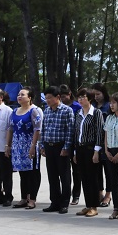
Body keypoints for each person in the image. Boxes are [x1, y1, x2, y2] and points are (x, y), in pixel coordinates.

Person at [7, 87, 43, 209]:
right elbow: (10, 129)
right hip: (17, 146)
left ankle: (32, 199)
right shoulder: (14, 111)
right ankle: (24, 197)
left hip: (30, 145)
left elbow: (37, 130)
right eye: (18, 94)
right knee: (22, 172)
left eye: (22, 94)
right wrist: (8, 145)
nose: (19, 96)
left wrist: (33, 146)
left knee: (33, 172)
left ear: (30, 97)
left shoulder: (34, 111)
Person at [40, 86, 74, 214]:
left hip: (61, 147)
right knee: (52, 175)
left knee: (64, 176)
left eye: (50, 97)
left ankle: (64, 203)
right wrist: (42, 146)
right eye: (46, 98)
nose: (47, 100)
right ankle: (54, 202)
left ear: (58, 97)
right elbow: (43, 129)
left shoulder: (67, 110)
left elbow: (70, 131)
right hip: (49, 146)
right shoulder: (47, 111)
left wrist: (66, 147)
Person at [74, 88, 105, 217]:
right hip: (80, 148)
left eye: (83, 97)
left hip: (91, 149)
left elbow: (100, 132)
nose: (80, 99)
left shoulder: (96, 112)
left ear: (90, 98)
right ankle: (88, 205)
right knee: (84, 177)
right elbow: (76, 132)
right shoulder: (78, 113)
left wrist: (96, 151)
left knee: (93, 178)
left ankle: (94, 206)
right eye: (79, 97)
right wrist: (75, 151)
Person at [59, 84, 81, 206]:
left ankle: (76, 195)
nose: (62, 99)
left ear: (69, 94)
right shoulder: (59, 107)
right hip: (62, 142)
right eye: (60, 96)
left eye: (64, 96)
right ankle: (64, 194)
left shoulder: (77, 107)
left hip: (75, 141)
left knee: (76, 170)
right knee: (64, 170)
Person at [92, 82, 112, 207]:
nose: (96, 96)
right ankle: (99, 192)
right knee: (96, 169)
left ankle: (108, 195)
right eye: (94, 94)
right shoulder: (92, 106)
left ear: (104, 93)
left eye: (98, 94)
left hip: (107, 142)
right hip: (94, 142)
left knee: (108, 170)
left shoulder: (109, 106)